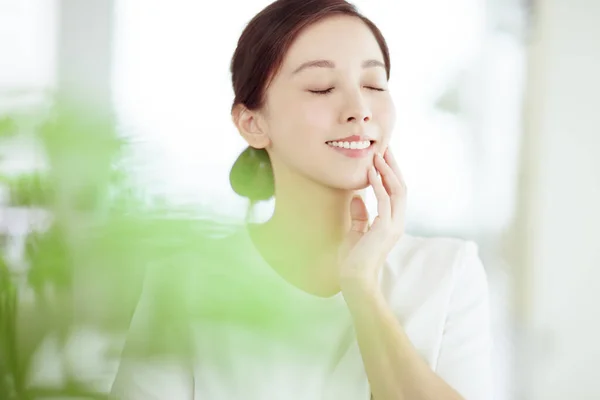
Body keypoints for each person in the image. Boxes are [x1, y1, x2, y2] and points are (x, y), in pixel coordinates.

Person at [111, 0, 493, 399]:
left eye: (374, 85)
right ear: (253, 123)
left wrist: (362, 289)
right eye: (321, 87)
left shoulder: (447, 273)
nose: (360, 110)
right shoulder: (181, 283)